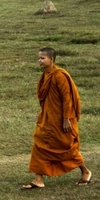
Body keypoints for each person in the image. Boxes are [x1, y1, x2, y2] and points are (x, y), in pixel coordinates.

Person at [22, 47, 92, 189]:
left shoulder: (60, 76)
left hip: (62, 120)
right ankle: (38, 179)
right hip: (47, 118)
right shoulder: (45, 76)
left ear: (51, 60)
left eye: (42, 58)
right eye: (39, 58)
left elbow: (67, 99)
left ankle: (85, 171)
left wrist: (67, 119)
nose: (39, 61)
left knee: (66, 148)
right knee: (39, 145)